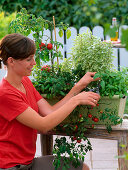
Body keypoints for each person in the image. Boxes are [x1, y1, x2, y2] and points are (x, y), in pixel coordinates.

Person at [0, 33, 100, 170]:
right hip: (11, 167)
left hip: (28, 163)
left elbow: (50, 112)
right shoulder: (5, 94)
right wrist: (76, 100)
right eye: (29, 59)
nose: (34, 63)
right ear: (11, 61)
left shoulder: (25, 81)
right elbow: (44, 125)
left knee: (82, 168)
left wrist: (79, 86)